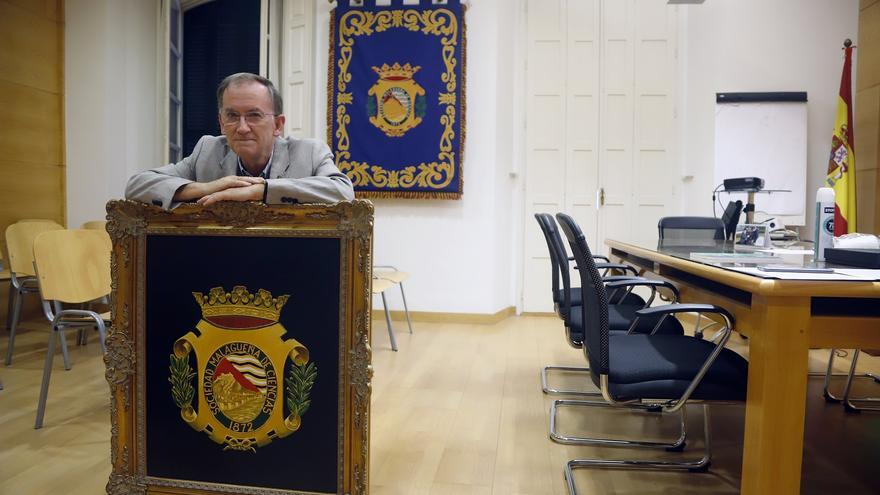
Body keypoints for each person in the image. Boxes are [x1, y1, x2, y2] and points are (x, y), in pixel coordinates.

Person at [125, 73, 354, 209]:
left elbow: (343, 191)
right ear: (222, 123)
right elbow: (137, 185)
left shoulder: (309, 152)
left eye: (254, 115)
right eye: (232, 116)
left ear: (278, 125)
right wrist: (204, 188)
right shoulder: (208, 150)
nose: (242, 128)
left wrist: (262, 191)